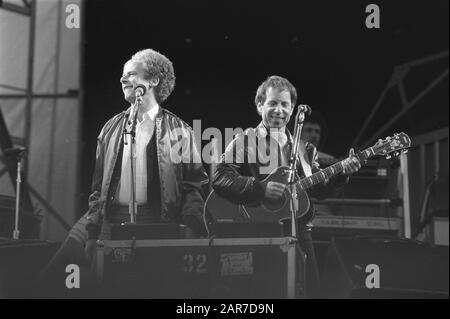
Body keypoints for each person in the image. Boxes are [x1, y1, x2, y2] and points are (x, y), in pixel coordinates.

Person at [38, 49, 209, 296]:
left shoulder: (180, 130)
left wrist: (191, 229)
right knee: (56, 273)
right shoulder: (110, 128)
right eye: (122, 75)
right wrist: (92, 232)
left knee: (139, 286)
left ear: (153, 81)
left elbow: (194, 186)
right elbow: (98, 188)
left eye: (130, 74)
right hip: (105, 218)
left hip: (155, 221)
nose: (122, 80)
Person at [212, 75, 361, 298]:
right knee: (258, 294)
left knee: (310, 291)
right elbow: (219, 176)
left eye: (285, 104)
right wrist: (260, 189)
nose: (279, 110)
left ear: (292, 110)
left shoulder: (305, 149)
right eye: (273, 103)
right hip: (255, 230)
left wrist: (341, 175)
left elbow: (319, 189)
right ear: (260, 105)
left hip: (299, 231)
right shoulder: (245, 140)